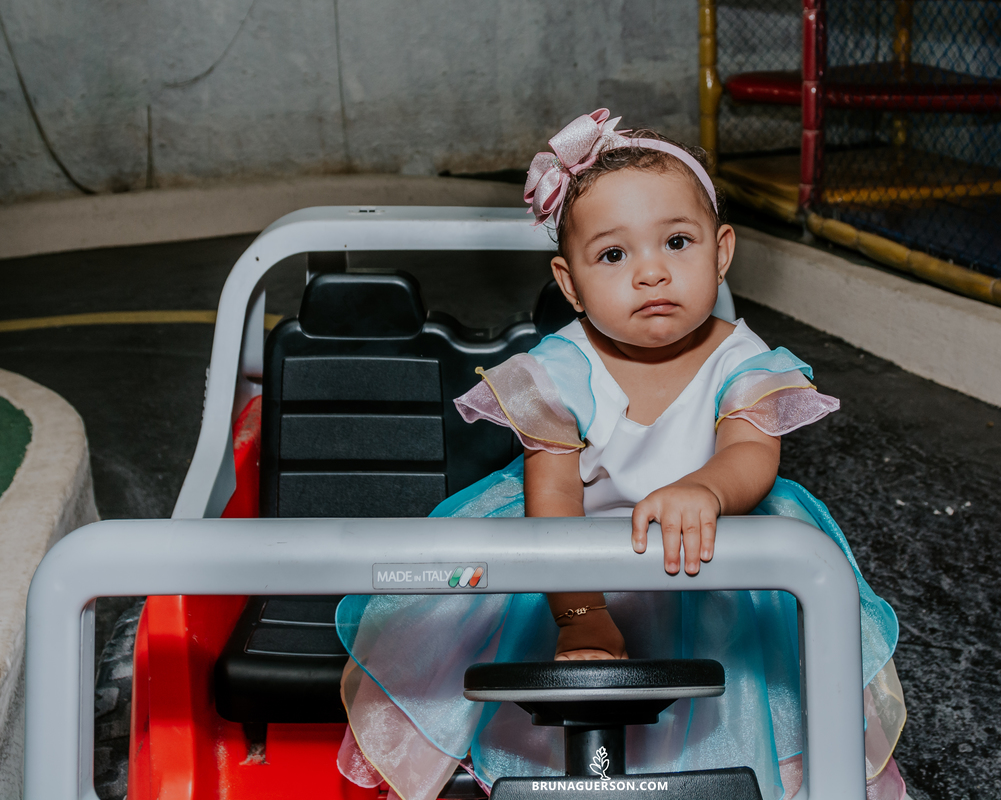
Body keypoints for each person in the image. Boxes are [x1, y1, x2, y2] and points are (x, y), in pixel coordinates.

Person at [334, 109, 908, 800]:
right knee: (536, 664)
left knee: (754, 675)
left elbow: (753, 456)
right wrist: (582, 612)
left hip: (709, 555)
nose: (651, 274)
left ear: (721, 252)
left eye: (676, 242)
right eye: (614, 255)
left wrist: (708, 489)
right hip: (573, 556)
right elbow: (553, 501)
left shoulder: (743, 359)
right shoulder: (560, 369)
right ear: (570, 282)